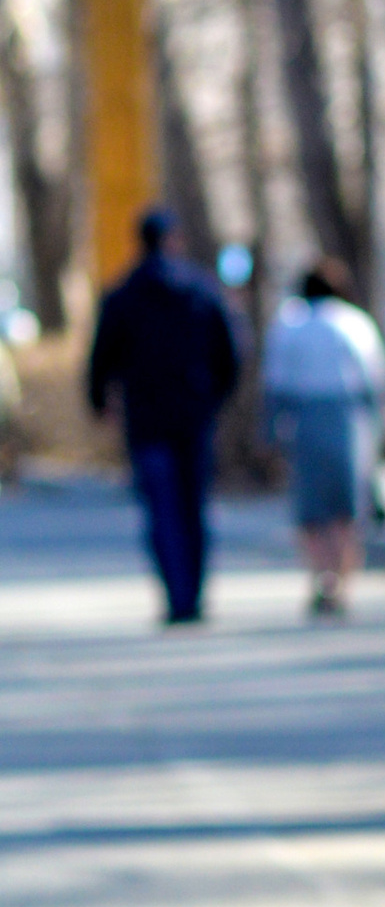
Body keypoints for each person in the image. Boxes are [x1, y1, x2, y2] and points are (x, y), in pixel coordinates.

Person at [86, 206, 241, 624]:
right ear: (175, 240)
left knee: (161, 509)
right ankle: (196, 594)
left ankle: (176, 595)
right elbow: (230, 354)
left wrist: (100, 403)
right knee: (194, 506)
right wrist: (214, 399)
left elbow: (101, 359)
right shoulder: (203, 291)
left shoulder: (122, 294)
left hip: (147, 419)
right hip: (194, 415)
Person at [262, 258, 385, 617]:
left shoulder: (289, 324)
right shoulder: (355, 323)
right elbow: (376, 381)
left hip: (303, 421)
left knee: (311, 509)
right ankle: (343, 581)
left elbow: (274, 384)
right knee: (347, 507)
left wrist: (271, 432)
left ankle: (320, 576)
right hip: (349, 420)